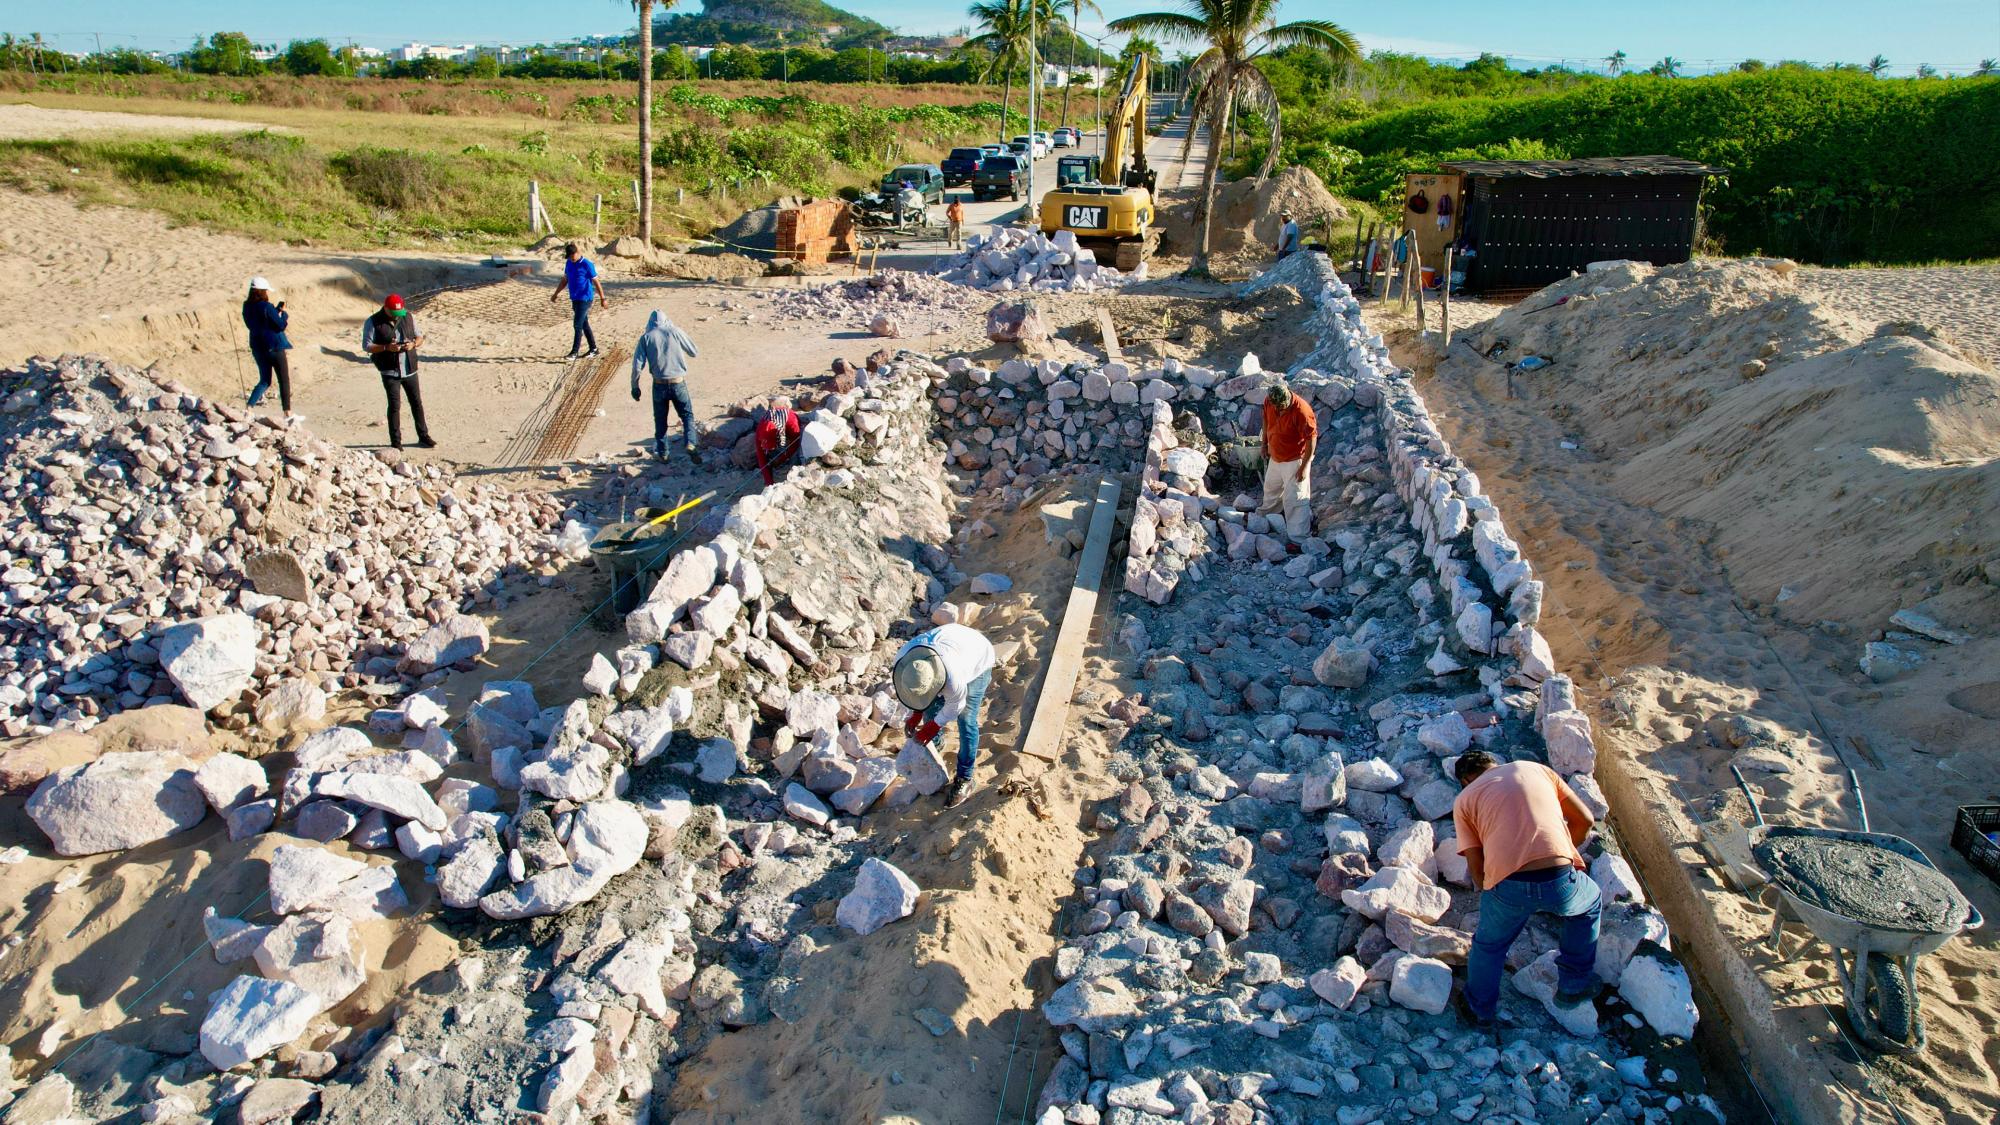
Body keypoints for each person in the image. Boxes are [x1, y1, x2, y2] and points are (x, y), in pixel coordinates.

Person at [1451, 751, 1602, 1027]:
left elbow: (1476, 867)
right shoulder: (1535, 769)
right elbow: (1586, 821)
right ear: (1494, 763)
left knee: (1489, 945)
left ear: (1465, 780)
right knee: (1588, 905)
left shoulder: (1465, 798)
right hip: (1560, 878)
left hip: (1509, 885)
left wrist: (1494, 893)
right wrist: (1563, 853)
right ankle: (1572, 985)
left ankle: (1479, 1010)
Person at [893, 623, 996, 809]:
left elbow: (955, 707)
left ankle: (965, 778)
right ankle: (936, 745)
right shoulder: (903, 662)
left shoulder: (954, 680)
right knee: (931, 707)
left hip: (978, 657)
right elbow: (919, 693)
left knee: (966, 720)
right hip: (953, 642)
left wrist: (930, 728)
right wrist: (916, 714)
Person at [362, 294, 435, 450]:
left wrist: (413, 344)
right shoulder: (373, 321)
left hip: (409, 368)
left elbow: (420, 336)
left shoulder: (408, 316)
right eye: (394, 313)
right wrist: (386, 347)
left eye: (399, 313)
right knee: (395, 406)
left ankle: (424, 436)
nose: (397, 316)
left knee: (417, 403)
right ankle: (396, 442)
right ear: (386, 308)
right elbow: (367, 346)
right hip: (390, 371)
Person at [630, 309, 700, 464]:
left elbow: (637, 366)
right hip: (678, 382)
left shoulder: (646, 338)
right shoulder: (675, 331)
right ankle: (690, 443)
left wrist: (635, 386)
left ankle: (663, 454)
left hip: (659, 384)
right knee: (687, 415)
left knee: (660, 420)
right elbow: (694, 352)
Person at [1258, 379, 1317, 540]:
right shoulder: (1270, 401)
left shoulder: (1302, 411)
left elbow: (1311, 439)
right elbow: (1266, 421)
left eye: (1282, 407)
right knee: (1271, 489)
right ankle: (1266, 519)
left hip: (1294, 459)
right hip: (1276, 456)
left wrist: (1304, 467)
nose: (1278, 410)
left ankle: (1299, 538)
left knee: (1295, 498)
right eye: (1276, 406)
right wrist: (1264, 444)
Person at [241, 276, 294, 415]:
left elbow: (251, 324)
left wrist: (274, 314)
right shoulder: (266, 306)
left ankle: (249, 406)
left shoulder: (246, 306)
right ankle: (287, 412)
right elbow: (280, 325)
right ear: (263, 291)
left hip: (257, 347)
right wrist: (283, 315)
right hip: (274, 347)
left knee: (265, 380)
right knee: (283, 380)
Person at [549, 242, 609, 359]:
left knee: (577, 324)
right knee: (584, 324)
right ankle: (594, 349)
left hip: (585, 298)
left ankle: (574, 352)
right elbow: (565, 280)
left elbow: (596, 282)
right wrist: (556, 293)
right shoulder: (569, 263)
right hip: (574, 298)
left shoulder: (587, 264)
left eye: (572, 256)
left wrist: (603, 298)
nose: (571, 258)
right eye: (569, 256)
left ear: (577, 253)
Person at [753, 395, 802, 485]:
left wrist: (782, 458)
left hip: (790, 429)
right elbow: (761, 457)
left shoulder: (792, 421)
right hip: (779, 432)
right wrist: (769, 482)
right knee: (768, 456)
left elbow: (795, 442)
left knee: (797, 457)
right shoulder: (760, 431)